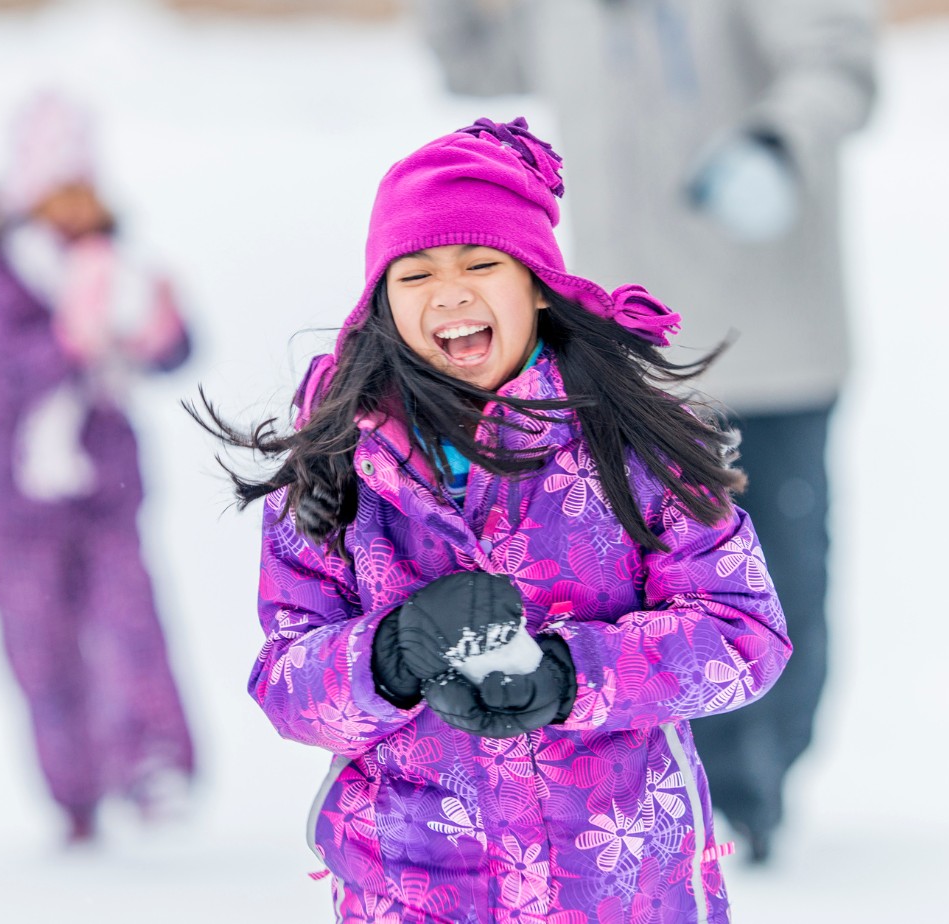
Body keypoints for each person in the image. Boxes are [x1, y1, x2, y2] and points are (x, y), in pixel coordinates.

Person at [192, 117, 788, 923]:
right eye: (415, 276)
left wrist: (573, 675)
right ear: (379, 304)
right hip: (414, 885)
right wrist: (388, 656)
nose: (450, 293)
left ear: (538, 285)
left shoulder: (628, 442)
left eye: (481, 263)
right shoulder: (336, 466)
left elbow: (743, 635)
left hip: (619, 884)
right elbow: (286, 684)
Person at [415, 0, 877, 862]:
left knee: (776, 573)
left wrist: (775, 141)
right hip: (630, 359)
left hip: (773, 349)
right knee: (637, 580)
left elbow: (842, 65)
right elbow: (476, 66)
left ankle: (759, 783)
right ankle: (687, 783)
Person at [0, 91, 196, 846]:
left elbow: (168, 350)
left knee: (130, 626)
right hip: (16, 496)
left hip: (103, 486)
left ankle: (155, 762)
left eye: (84, 185)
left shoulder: (113, 262)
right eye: (58, 187)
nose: (74, 204)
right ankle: (74, 791)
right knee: (41, 646)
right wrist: (66, 339)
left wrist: (160, 330)